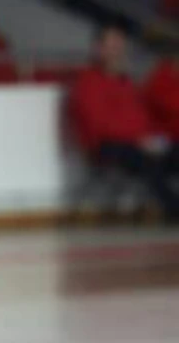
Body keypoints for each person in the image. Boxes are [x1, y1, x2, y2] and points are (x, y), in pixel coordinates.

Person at [71, 25, 179, 218]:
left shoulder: (127, 83)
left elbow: (143, 118)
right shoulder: (88, 83)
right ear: (98, 48)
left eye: (120, 46)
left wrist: (153, 138)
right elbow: (100, 125)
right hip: (108, 146)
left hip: (140, 142)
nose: (117, 51)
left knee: (172, 150)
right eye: (112, 46)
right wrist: (139, 140)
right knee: (148, 161)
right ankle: (173, 208)